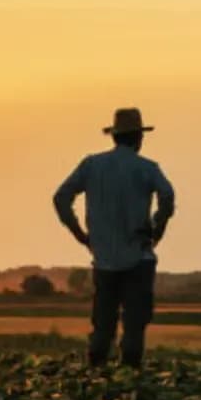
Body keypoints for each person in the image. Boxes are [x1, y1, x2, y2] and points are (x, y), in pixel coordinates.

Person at [52, 107, 175, 368]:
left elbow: (61, 198)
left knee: (103, 323)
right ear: (138, 138)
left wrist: (80, 234)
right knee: (134, 324)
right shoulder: (147, 168)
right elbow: (167, 196)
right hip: (138, 256)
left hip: (104, 257)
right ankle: (129, 376)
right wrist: (157, 228)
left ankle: (97, 377)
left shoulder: (92, 165)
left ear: (115, 136)